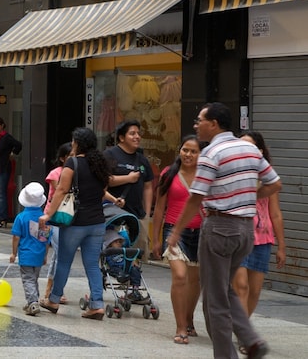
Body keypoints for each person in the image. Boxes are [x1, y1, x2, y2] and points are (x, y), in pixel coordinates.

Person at [167, 102, 282, 359]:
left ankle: (228, 354)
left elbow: (195, 197)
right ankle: (250, 340)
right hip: (245, 231)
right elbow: (275, 183)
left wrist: (176, 232)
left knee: (215, 301)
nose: (196, 125)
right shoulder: (249, 149)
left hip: (219, 228)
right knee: (225, 289)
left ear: (214, 124)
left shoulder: (212, 153)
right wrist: (249, 197)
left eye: (200, 120)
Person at [38, 127, 124, 320]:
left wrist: (48, 214)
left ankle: (53, 300)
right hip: (97, 223)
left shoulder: (72, 163)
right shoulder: (100, 164)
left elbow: (60, 190)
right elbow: (102, 190)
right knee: (92, 265)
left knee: (64, 262)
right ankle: (97, 305)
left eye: (74, 141)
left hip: (76, 222)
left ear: (78, 143)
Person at [151, 135, 202, 345]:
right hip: (174, 232)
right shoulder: (168, 174)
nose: (188, 155)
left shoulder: (206, 176)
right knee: (180, 277)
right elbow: (160, 209)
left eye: (193, 151)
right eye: (185, 150)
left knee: (194, 281)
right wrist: (155, 238)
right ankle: (180, 327)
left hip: (200, 232)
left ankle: (189, 318)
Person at [234, 131, 286, 323]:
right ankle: (241, 331)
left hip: (262, 239)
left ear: (260, 151)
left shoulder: (268, 177)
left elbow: (275, 213)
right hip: (237, 236)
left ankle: (242, 326)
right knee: (241, 286)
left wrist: (281, 246)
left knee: (254, 290)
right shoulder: (231, 172)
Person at [105, 120, 154, 254]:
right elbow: (105, 181)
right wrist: (128, 178)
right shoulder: (110, 155)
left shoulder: (142, 159)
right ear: (121, 137)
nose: (137, 137)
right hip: (114, 216)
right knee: (116, 257)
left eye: (138, 133)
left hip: (138, 216)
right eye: (132, 133)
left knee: (137, 256)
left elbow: (148, 186)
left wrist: (147, 213)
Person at [9, 182, 49, 316]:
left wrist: (13, 253)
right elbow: (46, 240)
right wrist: (45, 256)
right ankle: (33, 301)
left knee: (28, 279)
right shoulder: (44, 218)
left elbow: (16, 237)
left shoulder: (21, 217)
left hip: (26, 254)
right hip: (39, 254)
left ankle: (32, 302)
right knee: (33, 278)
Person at [43, 142, 72, 304]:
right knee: (59, 253)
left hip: (69, 217)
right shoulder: (56, 173)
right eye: (70, 155)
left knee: (62, 254)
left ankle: (56, 288)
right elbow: (62, 190)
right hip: (54, 217)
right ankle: (51, 288)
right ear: (62, 158)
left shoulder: (75, 172)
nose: (73, 158)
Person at [0, 116, 22, 228]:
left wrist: (12, 153)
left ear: (2, 126)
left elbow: (18, 145)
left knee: (2, 193)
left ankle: (3, 217)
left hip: (2, 168)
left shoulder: (6, 137)